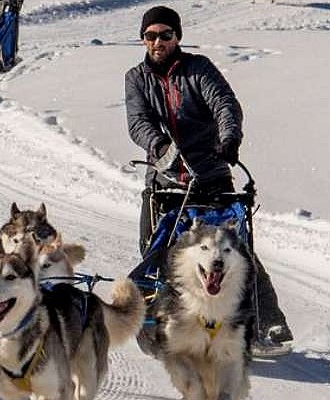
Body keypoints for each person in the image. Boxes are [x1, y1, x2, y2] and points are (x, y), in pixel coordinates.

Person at [124, 5, 293, 354]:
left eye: (165, 35)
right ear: (143, 40)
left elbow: (224, 104)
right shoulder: (136, 77)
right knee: (156, 252)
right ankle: (166, 322)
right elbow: (138, 120)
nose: (158, 42)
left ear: (177, 38)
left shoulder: (198, 69)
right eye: (151, 36)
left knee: (234, 252)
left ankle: (267, 322)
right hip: (166, 181)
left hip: (212, 176)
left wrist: (228, 138)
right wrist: (159, 146)